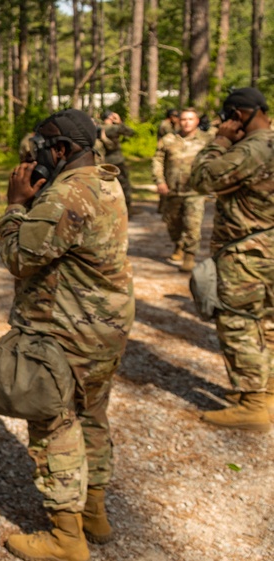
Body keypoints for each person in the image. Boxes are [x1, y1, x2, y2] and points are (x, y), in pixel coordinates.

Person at [0, 109, 134, 561]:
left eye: (40, 148)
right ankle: (94, 511)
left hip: (67, 330)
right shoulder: (105, 180)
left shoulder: (67, 194)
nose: (33, 156)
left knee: (55, 421)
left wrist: (16, 204)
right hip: (104, 327)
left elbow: (21, 255)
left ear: (60, 150)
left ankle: (66, 536)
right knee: (93, 414)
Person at [189, 87, 274, 431]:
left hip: (245, 253)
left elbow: (201, 178)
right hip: (267, 246)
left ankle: (253, 404)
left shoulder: (252, 149)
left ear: (238, 116)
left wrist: (219, 142)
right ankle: (265, 391)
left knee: (237, 321)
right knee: (265, 321)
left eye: (227, 119)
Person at [152, 108, 212, 272]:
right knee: (172, 223)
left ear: (197, 121)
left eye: (190, 119)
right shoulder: (168, 140)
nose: (187, 122)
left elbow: (215, 161)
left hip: (195, 191)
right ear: (178, 121)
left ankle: (189, 255)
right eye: (184, 119)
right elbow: (158, 161)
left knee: (193, 225)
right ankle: (178, 243)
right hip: (172, 190)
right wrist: (160, 181)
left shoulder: (207, 140)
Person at [99, 111, 135, 213]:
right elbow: (131, 132)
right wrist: (119, 122)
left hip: (103, 162)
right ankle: (127, 208)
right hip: (116, 161)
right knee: (124, 185)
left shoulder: (99, 128)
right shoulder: (110, 128)